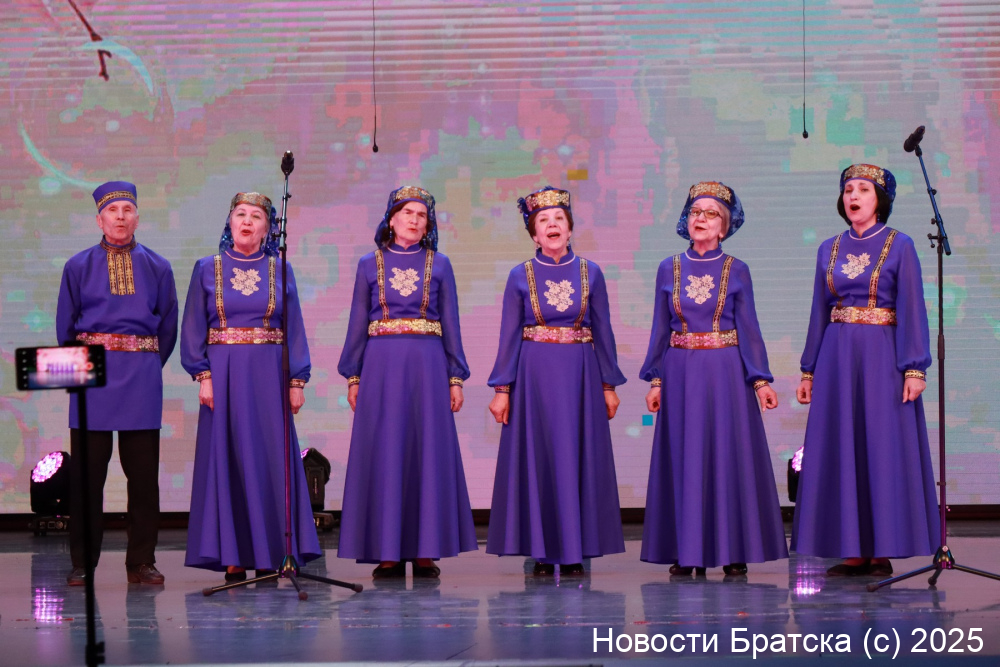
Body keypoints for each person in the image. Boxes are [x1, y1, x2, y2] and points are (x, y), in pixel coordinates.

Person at [791, 164, 939, 576]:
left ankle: (882, 549)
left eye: (863, 190)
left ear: (880, 200)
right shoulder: (829, 248)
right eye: (848, 190)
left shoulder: (900, 244)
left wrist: (915, 368)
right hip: (837, 357)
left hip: (881, 357)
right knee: (842, 446)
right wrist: (808, 370)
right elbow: (819, 311)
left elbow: (912, 307)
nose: (853, 196)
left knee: (880, 445)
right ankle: (851, 549)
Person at [638, 181, 787, 576]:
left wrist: (760, 380)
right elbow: (660, 328)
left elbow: (749, 328)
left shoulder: (737, 269)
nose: (701, 219)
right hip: (680, 371)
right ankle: (687, 552)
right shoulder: (668, 268)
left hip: (726, 372)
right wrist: (656, 379)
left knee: (727, 455)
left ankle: (733, 549)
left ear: (725, 226)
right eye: (695, 212)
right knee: (684, 456)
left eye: (711, 214)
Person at [337, 186, 477, 579]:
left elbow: (451, 323)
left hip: (428, 366)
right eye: (407, 213)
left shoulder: (440, 264)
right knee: (386, 451)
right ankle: (388, 552)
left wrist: (455, 377)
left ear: (428, 224)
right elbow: (357, 322)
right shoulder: (369, 264)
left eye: (421, 215)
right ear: (391, 218)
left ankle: (426, 550)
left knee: (425, 451)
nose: (414, 220)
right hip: (380, 367)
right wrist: (353, 375)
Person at [486, 186, 626, 576]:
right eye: (543, 220)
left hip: (580, 374)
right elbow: (509, 335)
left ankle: (576, 549)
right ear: (534, 234)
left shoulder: (590, 272)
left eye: (559, 219)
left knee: (576, 456)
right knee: (541, 458)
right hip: (534, 376)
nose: (552, 225)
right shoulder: (520, 275)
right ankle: (543, 552)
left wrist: (608, 385)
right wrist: (502, 389)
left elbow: (604, 332)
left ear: (570, 229)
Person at [181, 192, 321, 581]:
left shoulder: (281, 269)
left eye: (256, 216)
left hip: (268, 375)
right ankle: (234, 555)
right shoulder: (207, 268)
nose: (247, 221)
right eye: (240, 214)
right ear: (229, 223)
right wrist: (203, 375)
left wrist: (297, 380)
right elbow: (192, 327)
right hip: (224, 375)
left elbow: (294, 328)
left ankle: (270, 554)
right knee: (228, 458)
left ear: (268, 228)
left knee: (268, 459)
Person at [56, 181, 178, 586]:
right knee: (87, 479)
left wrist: (146, 363)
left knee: (142, 479)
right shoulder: (77, 266)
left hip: (140, 378)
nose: (120, 217)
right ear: (99, 220)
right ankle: (82, 562)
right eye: (113, 211)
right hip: (92, 379)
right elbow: (66, 328)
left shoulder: (158, 266)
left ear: (137, 217)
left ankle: (141, 561)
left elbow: (168, 327)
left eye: (127, 210)